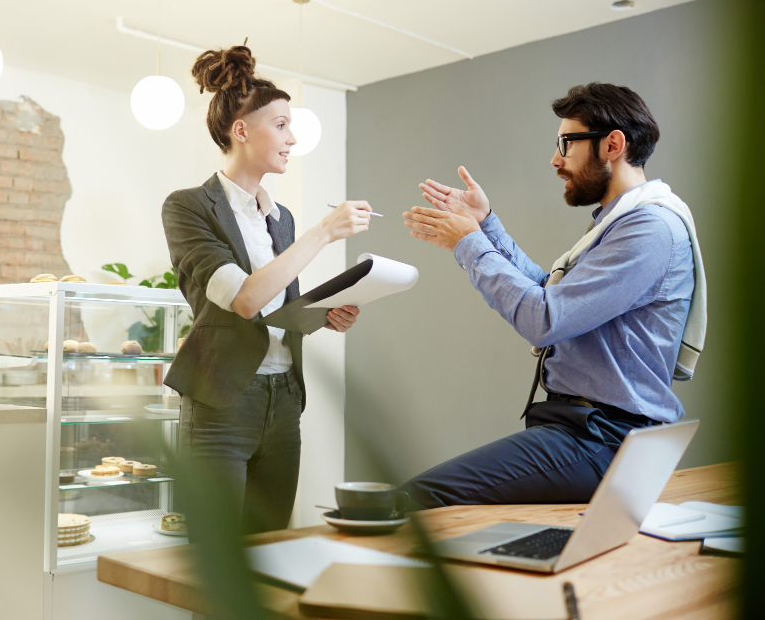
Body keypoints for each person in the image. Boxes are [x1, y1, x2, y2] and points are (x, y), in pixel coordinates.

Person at [399, 82, 705, 508]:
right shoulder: (618, 223)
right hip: (584, 429)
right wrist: (485, 224)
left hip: (604, 439)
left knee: (418, 498)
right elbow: (551, 292)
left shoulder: (649, 230)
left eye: (566, 143)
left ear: (613, 145)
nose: (555, 159)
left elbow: (545, 319)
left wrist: (469, 243)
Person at [161, 43, 372, 532]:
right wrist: (325, 232)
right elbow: (245, 299)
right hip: (221, 404)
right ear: (241, 131)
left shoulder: (282, 218)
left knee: (272, 548)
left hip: (284, 402)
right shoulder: (188, 207)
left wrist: (322, 316)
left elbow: (276, 307)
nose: (291, 138)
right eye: (280, 125)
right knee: (219, 564)